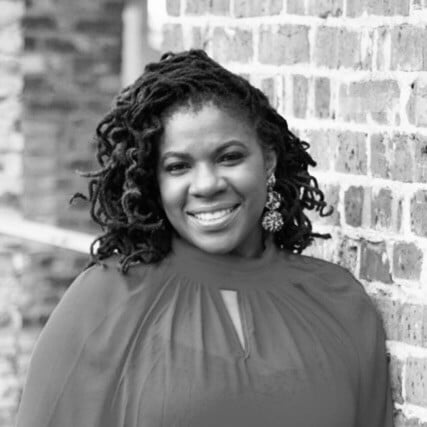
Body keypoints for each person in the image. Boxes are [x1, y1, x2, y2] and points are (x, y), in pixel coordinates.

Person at [16, 49, 393, 427]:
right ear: (154, 182)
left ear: (269, 160)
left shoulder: (337, 303)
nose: (207, 185)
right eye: (178, 166)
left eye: (229, 157)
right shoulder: (106, 301)